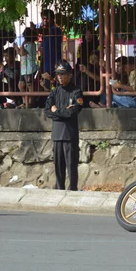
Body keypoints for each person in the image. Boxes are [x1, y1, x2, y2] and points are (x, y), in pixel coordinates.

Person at [44, 61, 83, 191]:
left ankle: (73, 189)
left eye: (63, 74)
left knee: (71, 165)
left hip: (69, 134)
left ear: (69, 75)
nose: (60, 77)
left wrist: (57, 111)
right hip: (57, 134)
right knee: (58, 166)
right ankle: (59, 189)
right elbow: (47, 111)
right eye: (58, 75)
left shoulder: (76, 91)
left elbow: (73, 111)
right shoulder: (55, 92)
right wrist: (62, 111)